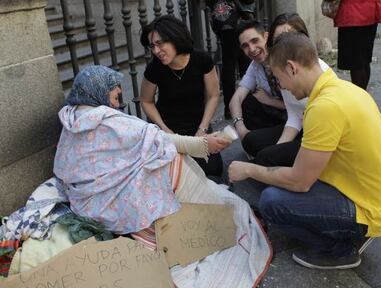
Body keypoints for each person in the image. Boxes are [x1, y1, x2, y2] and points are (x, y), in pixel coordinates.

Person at [228, 32, 381, 270]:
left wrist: (249, 169)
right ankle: (347, 230)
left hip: (369, 208)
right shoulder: (345, 89)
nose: (281, 86)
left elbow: (300, 182)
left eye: (279, 79)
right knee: (279, 182)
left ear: (291, 68)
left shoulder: (325, 107)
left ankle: (342, 248)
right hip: (374, 195)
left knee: (271, 201)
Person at [54, 65, 230, 235]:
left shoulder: (71, 117)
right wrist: (202, 145)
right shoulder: (107, 120)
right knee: (167, 158)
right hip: (107, 207)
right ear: (98, 91)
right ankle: (207, 205)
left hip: (82, 202)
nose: (116, 105)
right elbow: (159, 139)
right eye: (115, 98)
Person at [139, 15, 224, 177]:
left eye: (160, 43)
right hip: (168, 128)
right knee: (172, 173)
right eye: (152, 46)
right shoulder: (154, 68)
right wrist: (165, 130)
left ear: (175, 38)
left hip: (198, 125)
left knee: (213, 170)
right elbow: (146, 101)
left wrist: (203, 128)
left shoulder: (202, 59)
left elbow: (213, 95)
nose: (156, 51)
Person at [248, 13, 330, 167]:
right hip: (301, 129)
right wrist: (278, 149)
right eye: (278, 40)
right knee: (253, 143)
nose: (284, 45)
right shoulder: (282, 71)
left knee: (266, 162)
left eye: (289, 37)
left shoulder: (319, 76)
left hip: (318, 137)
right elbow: (294, 115)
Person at [229, 20, 287, 157]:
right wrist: (241, 128)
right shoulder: (255, 65)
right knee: (247, 102)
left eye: (255, 41)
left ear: (266, 36)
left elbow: (301, 107)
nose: (252, 49)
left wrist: (270, 101)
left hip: (297, 121)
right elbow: (235, 100)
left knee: (254, 143)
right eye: (245, 46)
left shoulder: (283, 59)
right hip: (278, 118)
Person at [206, 0, 254, 119]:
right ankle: (240, 104)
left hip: (223, 14)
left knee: (235, 60)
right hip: (230, 13)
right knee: (238, 60)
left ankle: (234, 106)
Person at [334, 0, 381, 90]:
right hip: (370, 11)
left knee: (356, 63)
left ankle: (360, 97)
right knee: (364, 60)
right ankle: (364, 96)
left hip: (352, 14)